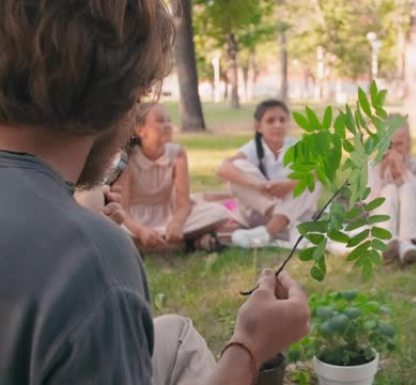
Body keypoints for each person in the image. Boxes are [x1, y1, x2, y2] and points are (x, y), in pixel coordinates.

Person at [0, 2, 310, 385]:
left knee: (175, 335)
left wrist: (76, 213)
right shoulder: (92, 258)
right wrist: (250, 346)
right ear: (121, 95)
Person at [114, 102, 232, 252]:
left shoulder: (178, 154)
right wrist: (141, 231)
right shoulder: (128, 159)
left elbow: (183, 203)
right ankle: (190, 244)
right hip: (133, 221)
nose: (168, 125)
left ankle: (150, 246)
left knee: (218, 212)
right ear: (140, 130)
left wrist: (177, 224)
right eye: (160, 121)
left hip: (168, 215)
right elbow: (121, 210)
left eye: (169, 120)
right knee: (114, 226)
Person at [218, 99, 321, 248]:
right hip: (263, 212)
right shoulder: (253, 148)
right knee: (237, 168)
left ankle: (268, 232)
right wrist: (259, 185)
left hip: (292, 211)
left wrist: (289, 184)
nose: (277, 125)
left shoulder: (297, 146)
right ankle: (276, 223)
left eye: (282, 120)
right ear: (259, 127)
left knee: (314, 178)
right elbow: (223, 168)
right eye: (271, 121)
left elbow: (318, 170)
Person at [368, 122, 416, 264]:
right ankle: (386, 241)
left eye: (399, 144)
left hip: (411, 222)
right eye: (389, 145)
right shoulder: (374, 166)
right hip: (383, 222)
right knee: (389, 189)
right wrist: (379, 175)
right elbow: (367, 205)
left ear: (408, 144)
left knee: (408, 188)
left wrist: (404, 172)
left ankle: (408, 243)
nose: (394, 150)